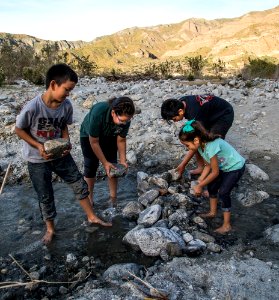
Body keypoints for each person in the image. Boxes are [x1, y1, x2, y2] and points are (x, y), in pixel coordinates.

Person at [15, 63, 111, 244]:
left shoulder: (66, 106)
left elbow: (63, 125)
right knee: (45, 195)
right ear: (53, 84)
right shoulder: (33, 107)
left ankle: (91, 216)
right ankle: (50, 229)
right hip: (37, 159)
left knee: (78, 183)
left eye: (71, 91)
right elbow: (19, 130)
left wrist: (66, 142)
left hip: (61, 155)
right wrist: (38, 146)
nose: (68, 94)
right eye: (67, 90)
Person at [179, 120, 245, 234]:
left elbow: (215, 173)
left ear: (196, 140)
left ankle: (226, 225)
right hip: (224, 167)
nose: (187, 149)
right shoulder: (201, 146)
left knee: (224, 192)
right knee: (212, 186)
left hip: (235, 167)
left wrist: (200, 185)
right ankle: (212, 212)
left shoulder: (211, 146)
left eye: (187, 145)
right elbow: (207, 165)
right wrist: (200, 181)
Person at [80, 96, 135, 207]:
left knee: (113, 165)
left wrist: (123, 161)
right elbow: (94, 141)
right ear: (113, 113)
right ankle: (90, 200)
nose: (124, 123)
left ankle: (113, 199)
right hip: (89, 136)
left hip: (110, 135)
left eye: (127, 121)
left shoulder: (125, 119)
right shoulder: (98, 112)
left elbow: (121, 139)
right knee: (90, 166)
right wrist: (104, 163)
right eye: (122, 121)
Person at [161, 95, 234, 176]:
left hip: (224, 114)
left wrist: (183, 165)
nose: (175, 121)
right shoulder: (181, 102)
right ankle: (201, 167)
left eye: (174, 119)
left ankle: (224, 169)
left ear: (180, 111)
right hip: (209, 114)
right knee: (196, 138)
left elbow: (196, 142)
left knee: (212, 142)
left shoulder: (194, 111)